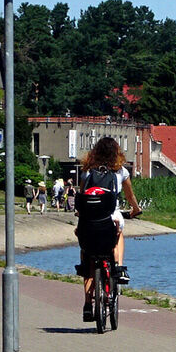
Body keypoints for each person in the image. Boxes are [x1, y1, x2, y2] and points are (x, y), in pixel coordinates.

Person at [73, 136, 141, 321]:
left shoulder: (87, 172)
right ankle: (118, 268)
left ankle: (88, 302)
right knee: (118, 233)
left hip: (89, 219)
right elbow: (130, 195)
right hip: (110, 217)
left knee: (87, 252)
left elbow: (81, 197)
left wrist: (81, 214)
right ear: (117, 153)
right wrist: (136, 209)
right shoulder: (121, 172)